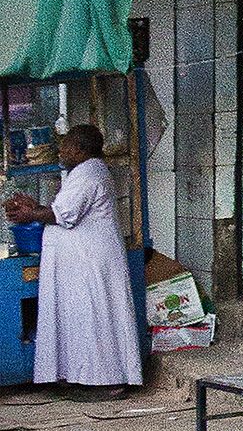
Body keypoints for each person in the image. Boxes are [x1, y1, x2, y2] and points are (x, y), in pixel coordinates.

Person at [4, 124, 142, 400]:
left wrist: (31, 213)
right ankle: (84, 376)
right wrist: (35, 208)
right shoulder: (84, 172)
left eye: (66, 145)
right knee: (83, 319)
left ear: (79, 149)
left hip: (91, 263)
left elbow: (63, 215)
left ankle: (108, 380)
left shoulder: (88, 173)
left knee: (96, 318)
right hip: (83, 263)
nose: (61, 150)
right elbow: (62, 210)